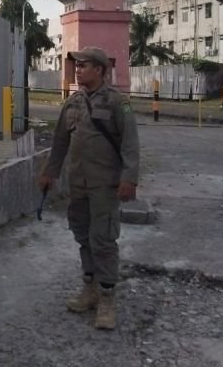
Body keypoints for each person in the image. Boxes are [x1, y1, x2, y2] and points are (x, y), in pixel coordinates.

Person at [38, 46, 139, 330]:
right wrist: (50, 172)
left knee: (103, 239)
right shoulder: (72, 104)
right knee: (83, 235)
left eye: (84, 65)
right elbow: (59, 144)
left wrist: (129, 178)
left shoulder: (120, 102)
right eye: (77, 65)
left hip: (106, 185)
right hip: (78, 183)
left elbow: (131, 144)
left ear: (99, 69)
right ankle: (90, 288)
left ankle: (107, 297)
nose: (78, 69)